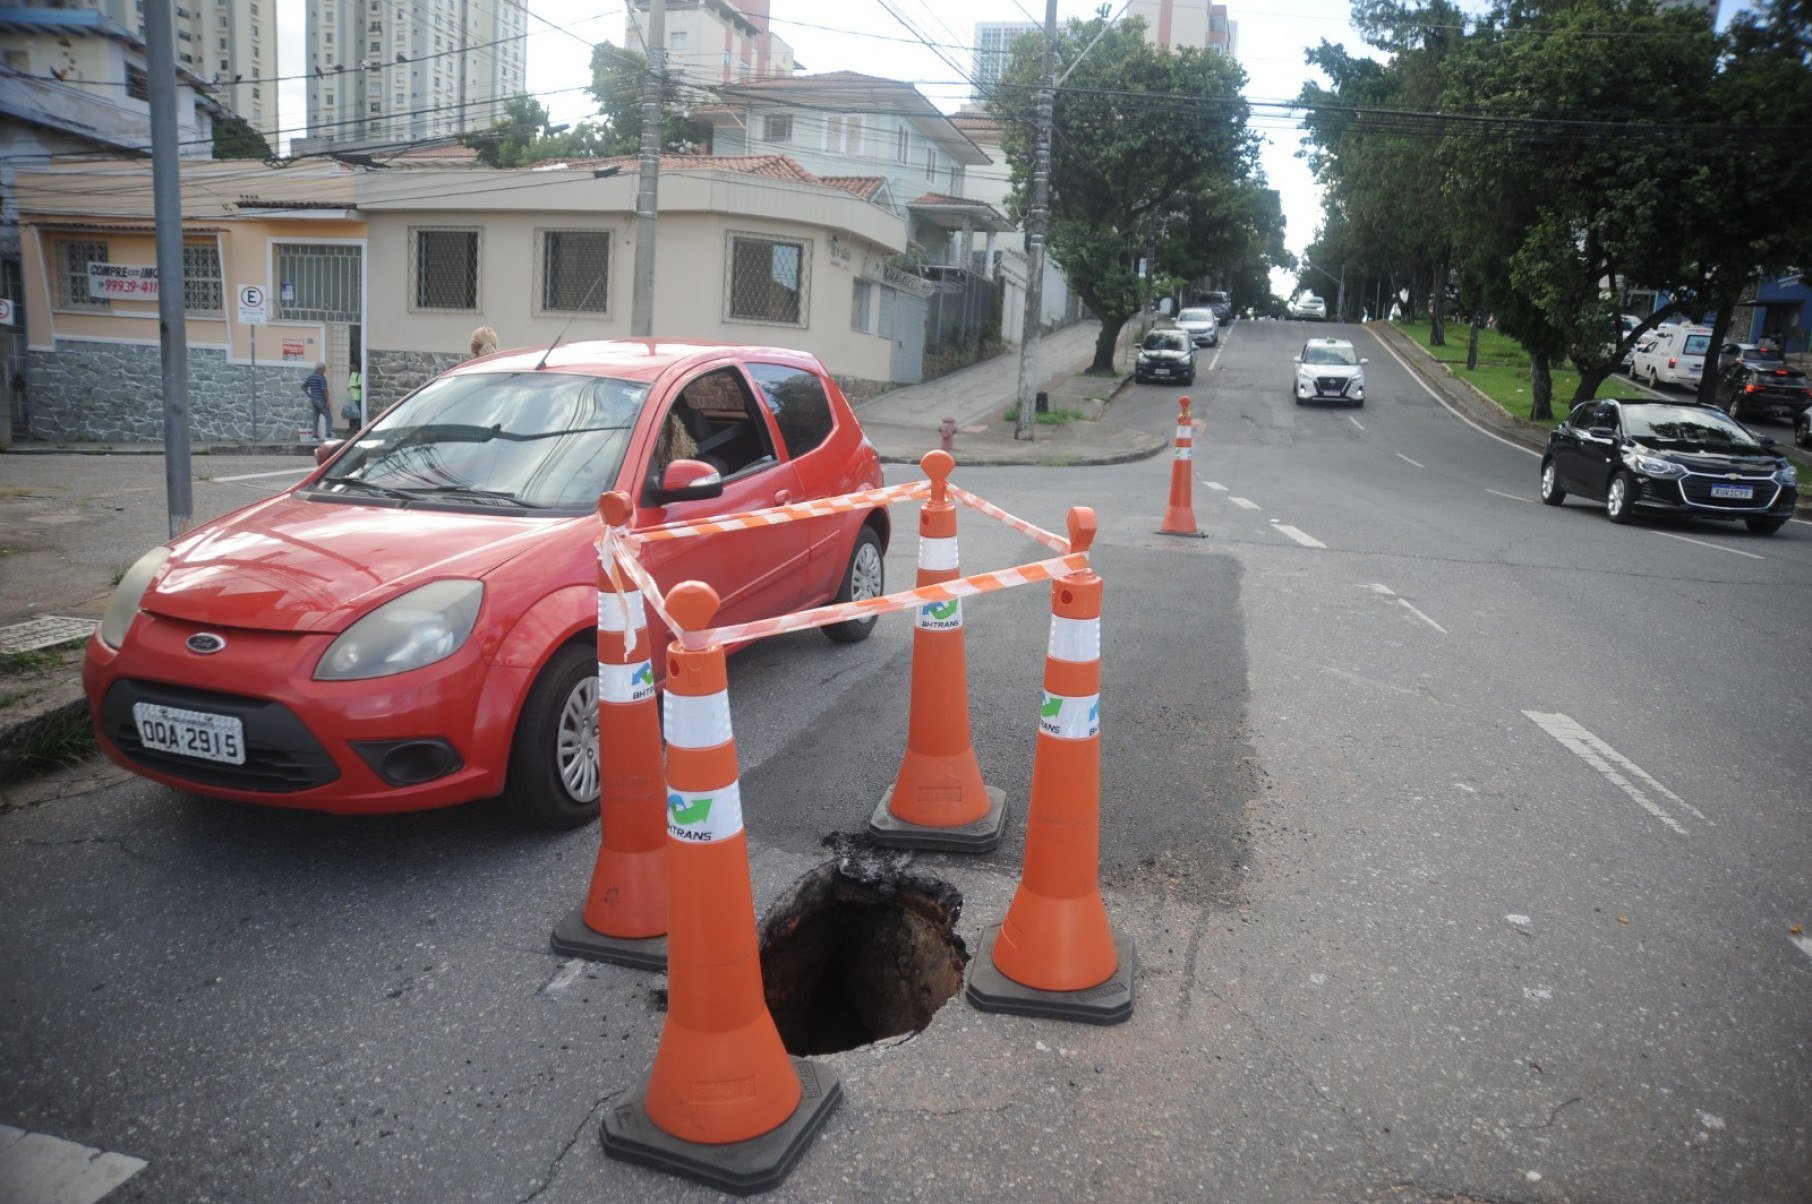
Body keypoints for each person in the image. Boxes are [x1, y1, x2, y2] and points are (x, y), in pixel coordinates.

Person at [300, 361, 331, 442]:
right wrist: (327, 400)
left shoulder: (310, 376)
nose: (325, 371)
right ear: (320, 369)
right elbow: (323, 389)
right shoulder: (321, 377)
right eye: (324, 369)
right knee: (329, 418)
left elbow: (303, 386)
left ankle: (315, 436)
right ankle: (328, 436)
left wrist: (309, 395)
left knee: (315, 419)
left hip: (313, 400)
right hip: (321, 400)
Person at [342, 364, 363, 433]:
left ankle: (357, 426)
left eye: (353, 366)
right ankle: (351, 426)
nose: (352, 368)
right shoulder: (351, 374)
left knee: (357, 412)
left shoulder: (359, 375)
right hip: (351, 396)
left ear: (357, 366)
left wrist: (352, 387)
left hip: (357, 396)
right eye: (351, 367)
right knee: (351, 412)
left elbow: (360, 386)